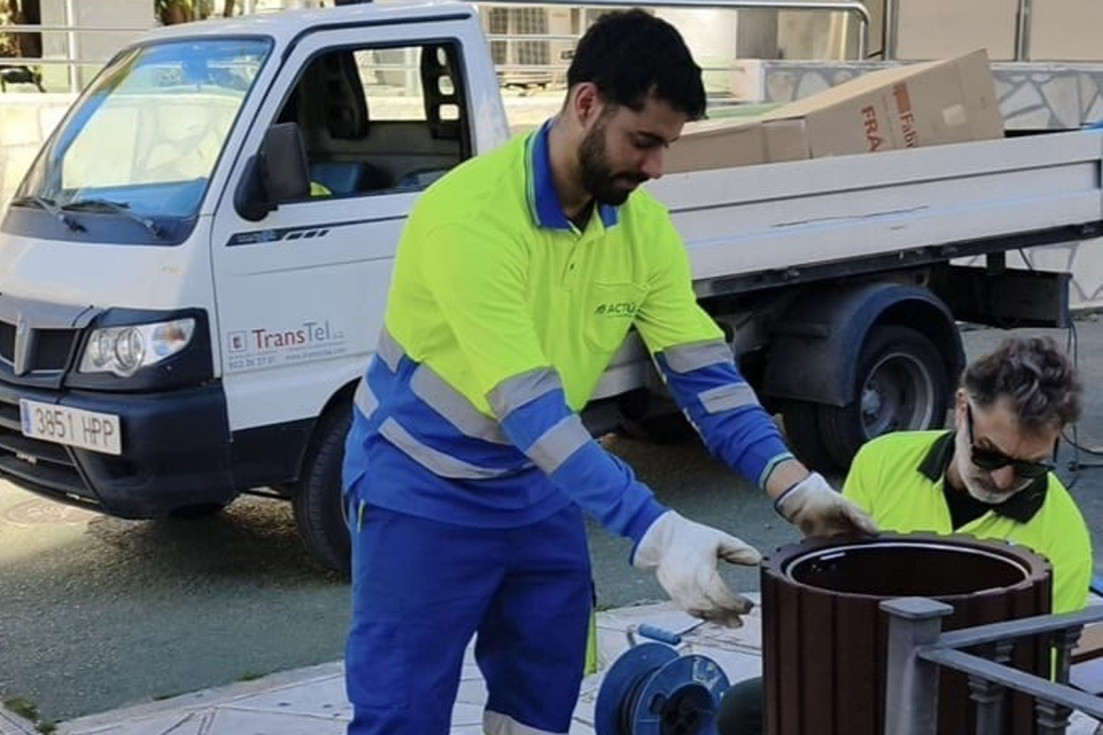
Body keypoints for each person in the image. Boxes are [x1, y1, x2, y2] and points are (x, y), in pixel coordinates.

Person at [340, 10, 875, 735]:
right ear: (586, 104)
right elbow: (526, 407)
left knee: (541, 693)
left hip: (536, 487)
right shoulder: (467, 218)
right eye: (644, 141)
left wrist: (795, 486)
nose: (656, 167)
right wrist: (654, 531)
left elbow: (704, 378)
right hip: (423, 491)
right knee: (401, 713)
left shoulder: (639, 226)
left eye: (667, 146)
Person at [716, 334, 1092, 735]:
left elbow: (1038, 680)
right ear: (962, 406)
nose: (1003, 479)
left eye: (1031, 467)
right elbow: (841, 587)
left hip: (973, 707)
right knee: (744, 710)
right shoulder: (884, 461)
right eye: (989, 452)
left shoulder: (1063, 538)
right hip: (865, 672)